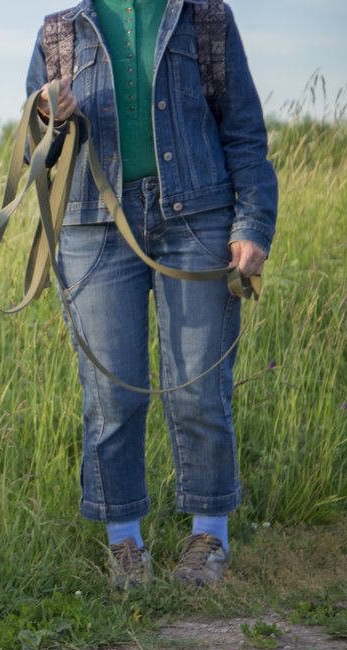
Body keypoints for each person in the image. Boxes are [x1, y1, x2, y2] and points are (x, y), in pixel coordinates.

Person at [25, 0, 277, 587]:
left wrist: (252, 224)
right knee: (111, 394)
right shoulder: (60, 30)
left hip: (200, 218)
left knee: (197, 386)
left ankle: (209, 534)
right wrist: (46, 114)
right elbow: (43, 148)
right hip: (92, 225)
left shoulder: (207, 17)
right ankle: (125, 545)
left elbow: (243, 130)